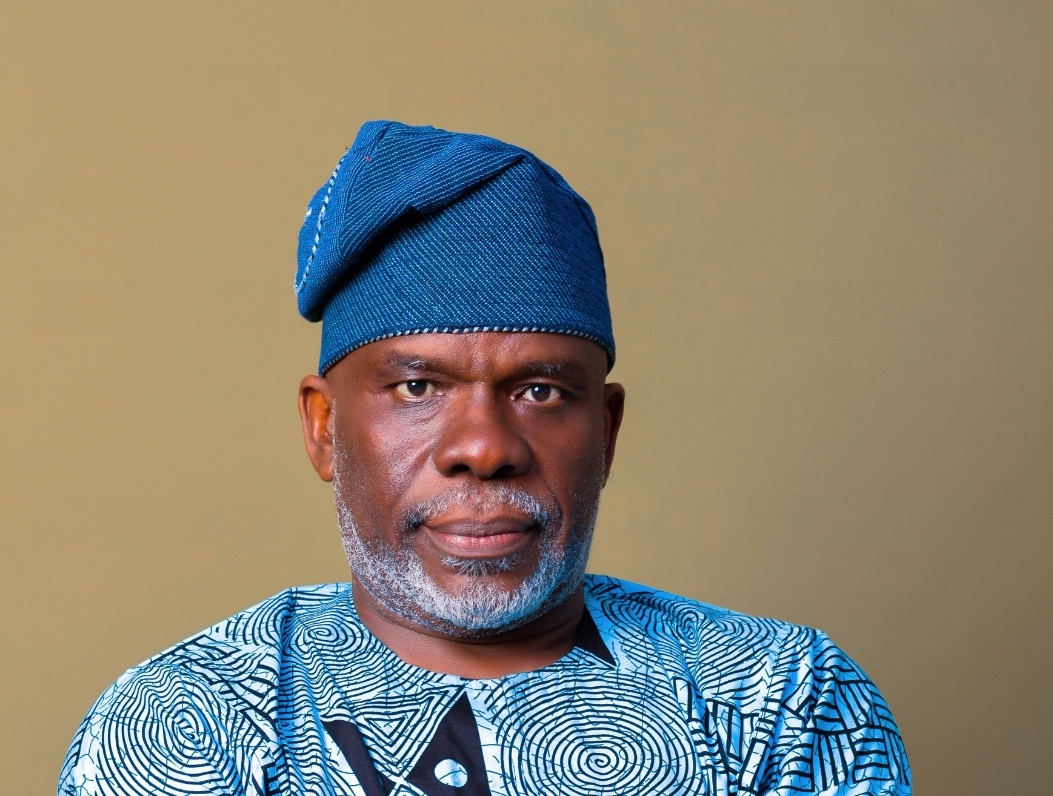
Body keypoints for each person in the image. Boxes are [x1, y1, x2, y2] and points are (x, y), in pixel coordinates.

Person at [58, 121, 911, 796]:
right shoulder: (189, 721)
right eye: (417, 386)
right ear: (323, 428)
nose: (484, 449)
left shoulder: (782, 703)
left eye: (540, 390)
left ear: (606, 431)